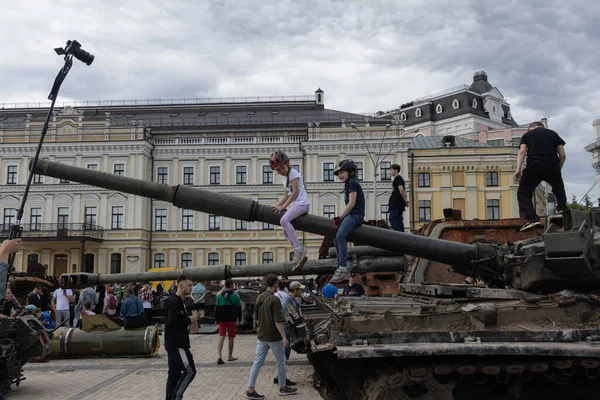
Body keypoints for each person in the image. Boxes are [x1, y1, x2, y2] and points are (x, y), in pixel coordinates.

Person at [245, 274, 297, 399]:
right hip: (273, 336)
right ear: (275, 284)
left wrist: (258, 329)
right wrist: (284, 337)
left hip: (261, 336)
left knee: (257, 363)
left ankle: (250, 389)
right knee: (281, 361)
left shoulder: (260, 297)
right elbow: (278, 321)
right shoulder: (275, 299)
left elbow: (255, 318)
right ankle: (283, 387)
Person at [514, 121, 568, 231]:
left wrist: (518, 170)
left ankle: (533, 219)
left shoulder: (527, 135)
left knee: (523, 193)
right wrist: (558, 169)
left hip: (534, 166)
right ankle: (563, 211)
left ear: (531, 128)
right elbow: (562, 155)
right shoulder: (553, 134)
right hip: (552, 165)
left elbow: (522, 152)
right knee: (558, 188)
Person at [270, 151, 310, 271]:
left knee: (284, 221)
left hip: (302, 204)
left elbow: (295, 192)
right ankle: (297, 250)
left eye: (282, 168)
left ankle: (298, 249)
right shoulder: (284, 178)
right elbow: (286, 196)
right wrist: (276, 206)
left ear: (287, 164)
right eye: (278, 170)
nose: (281, 171)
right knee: (284, 231)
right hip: (295, 204)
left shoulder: (294, 173)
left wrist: (283, 207)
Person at [330, 160, 366, 283]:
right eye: (338, 173)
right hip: (351, 215)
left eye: (342, 172)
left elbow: (352, 203)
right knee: (336, 238)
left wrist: (340, 217)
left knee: (340, 236)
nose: (340, 175)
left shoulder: (353, 183)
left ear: (350, 172)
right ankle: (339, 265)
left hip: (356, 215)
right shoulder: (349, 184)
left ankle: (343, 268)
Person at [165, 275, 198, 400]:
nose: (191, 287)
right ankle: (175, 397)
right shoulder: (175, 302)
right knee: (190, 371)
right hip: (177, 344)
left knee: (174, 374)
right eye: (189, 285)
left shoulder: (179, 301)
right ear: (180, 285)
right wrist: (189, 319)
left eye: (191, 285)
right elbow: (172, 322)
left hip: (175, 343)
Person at [215, 279, 242, 365]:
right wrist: (240, 318)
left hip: (222, 319)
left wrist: (217, 319)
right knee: (231, 337)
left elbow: (216, 309)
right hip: (231, 318)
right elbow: (239, 309)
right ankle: (230, 356)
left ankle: (219, 356)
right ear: (231, 285)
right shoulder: (235, 296)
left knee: (221, 336)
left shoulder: (219, 296)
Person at [388, 164, 409, 232]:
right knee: (398, 221)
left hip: (396, 204)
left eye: (391, 170)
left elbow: (401, 190)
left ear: (396, 170)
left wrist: (405, 201)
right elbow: (404, 191)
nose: (390, 172)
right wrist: (405, 200)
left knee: (394, 219)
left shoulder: (398, 178)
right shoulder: (398, 178)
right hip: (397, 204)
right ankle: (400, 236)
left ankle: (399, 236)